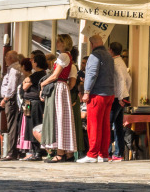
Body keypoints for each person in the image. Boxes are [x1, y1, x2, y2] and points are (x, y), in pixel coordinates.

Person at [39, 34, 78, 163]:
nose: (56, 43)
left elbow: (55, 75)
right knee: (64, 120)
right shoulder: (68, 57)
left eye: (59, 41)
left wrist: (43, 84)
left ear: (64, 43)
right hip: (63, 88)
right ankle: (68, 153)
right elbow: (71, 83)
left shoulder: (63, 56)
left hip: (59, 87)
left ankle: (60, 153)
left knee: (58, 119)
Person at [78, 34, 115, 163]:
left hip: (97, 94)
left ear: (92, 44)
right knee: (105, 125)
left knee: (93, 125)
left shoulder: (95, 56)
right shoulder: (109, 56)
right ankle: (103, 154)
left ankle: (92, 154)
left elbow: (92, 74)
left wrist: (86, 91)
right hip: (109, 93)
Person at [19, 55, 45, 160]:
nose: (32, 63)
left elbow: (24, 86)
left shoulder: (38, 74)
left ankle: (37, 152)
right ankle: (34, 151)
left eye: (33, 61)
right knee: (30, 126)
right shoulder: (36, 74)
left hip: (35, 103)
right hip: (30, 102)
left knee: (35, 126)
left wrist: (26, 81)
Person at [109, 41, 131, 162]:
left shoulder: (114, 63)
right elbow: (129, 79)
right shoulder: (122, 62)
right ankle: (118, 153)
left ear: (111, 50)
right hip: (122, 95)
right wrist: (126, 94)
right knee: (117, 125)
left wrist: (122, 97)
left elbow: (122, 80)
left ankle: (108, 152)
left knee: (108, 123)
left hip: (118, 97)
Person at [0, 50, 22, 160]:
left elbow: (12, 87)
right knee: (13, 125)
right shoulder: (14, 68)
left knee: (12, 126)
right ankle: (14, 151)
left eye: (6, 57)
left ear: (11, 58)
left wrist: (5, 99)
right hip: (12, 99)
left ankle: (12, 152)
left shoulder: (14, 69)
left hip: (11, 100)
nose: (5, 60)